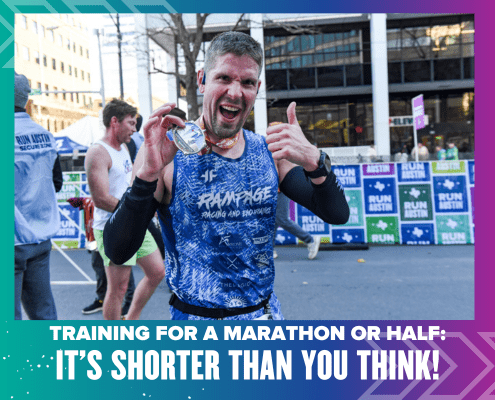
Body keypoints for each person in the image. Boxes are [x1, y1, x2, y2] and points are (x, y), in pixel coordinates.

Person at [104, 31, 349, 320]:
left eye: (246, 82)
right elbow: (118, 250)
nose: (235, 92)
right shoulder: (165, 154)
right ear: (202, 79)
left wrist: (316, 162)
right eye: (224, 78)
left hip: (264, 322)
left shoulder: (268, 153)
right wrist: (147, 177)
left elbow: (336, 213)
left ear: (256, 89)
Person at [84, 99, 165, 320]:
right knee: (118, 289)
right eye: (130, 123)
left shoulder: (124, 148)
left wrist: (143, 207)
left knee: (157, 272)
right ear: (114, 122)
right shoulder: (98, 152)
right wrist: (135, 211)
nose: (134, 128)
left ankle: (130, 320)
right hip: (111, 228)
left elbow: (129, 186)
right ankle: (114, 340)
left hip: (133, 223)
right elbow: (101, 199)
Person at [15, 72, 61, 320]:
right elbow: (57, 182)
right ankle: (45, 357)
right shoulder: (46, 135)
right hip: (40, 235)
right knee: (43, 313)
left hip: (12, 238)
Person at [67, 197, 136, 317]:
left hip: (119, 225)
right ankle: (102, 299)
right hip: (98, 225)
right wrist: (84, 201)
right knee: (98, 264)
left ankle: (130, 302)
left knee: (122, 267)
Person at [273, 191, 320, 260]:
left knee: (282, 219)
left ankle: (310, 240)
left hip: (280, 190)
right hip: (270, 191)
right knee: (272, 219)